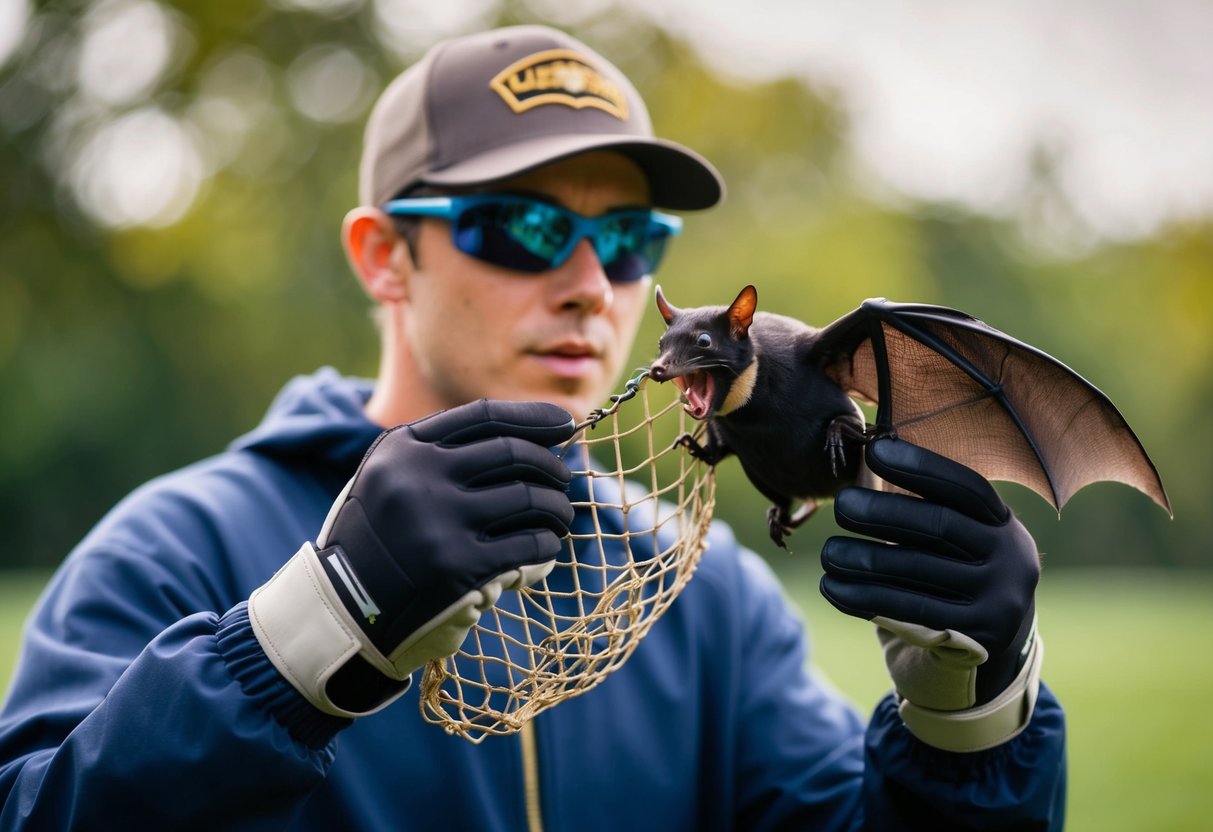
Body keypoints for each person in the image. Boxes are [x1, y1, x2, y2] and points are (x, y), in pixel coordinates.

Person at [0, 24, 1065, 830]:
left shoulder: (703, 599)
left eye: (631, 238)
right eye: (526, 225)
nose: (591, 285)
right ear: (383, 256)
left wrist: (972, 721)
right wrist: (301, 636)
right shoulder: (177, 547)